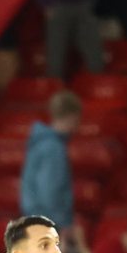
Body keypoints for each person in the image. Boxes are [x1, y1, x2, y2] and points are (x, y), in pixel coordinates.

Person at [20, 90, 82, 233]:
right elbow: (50, 191)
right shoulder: (53, 148)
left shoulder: (39, 142)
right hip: (47, 223)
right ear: (73, 116)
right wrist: (63, 223)